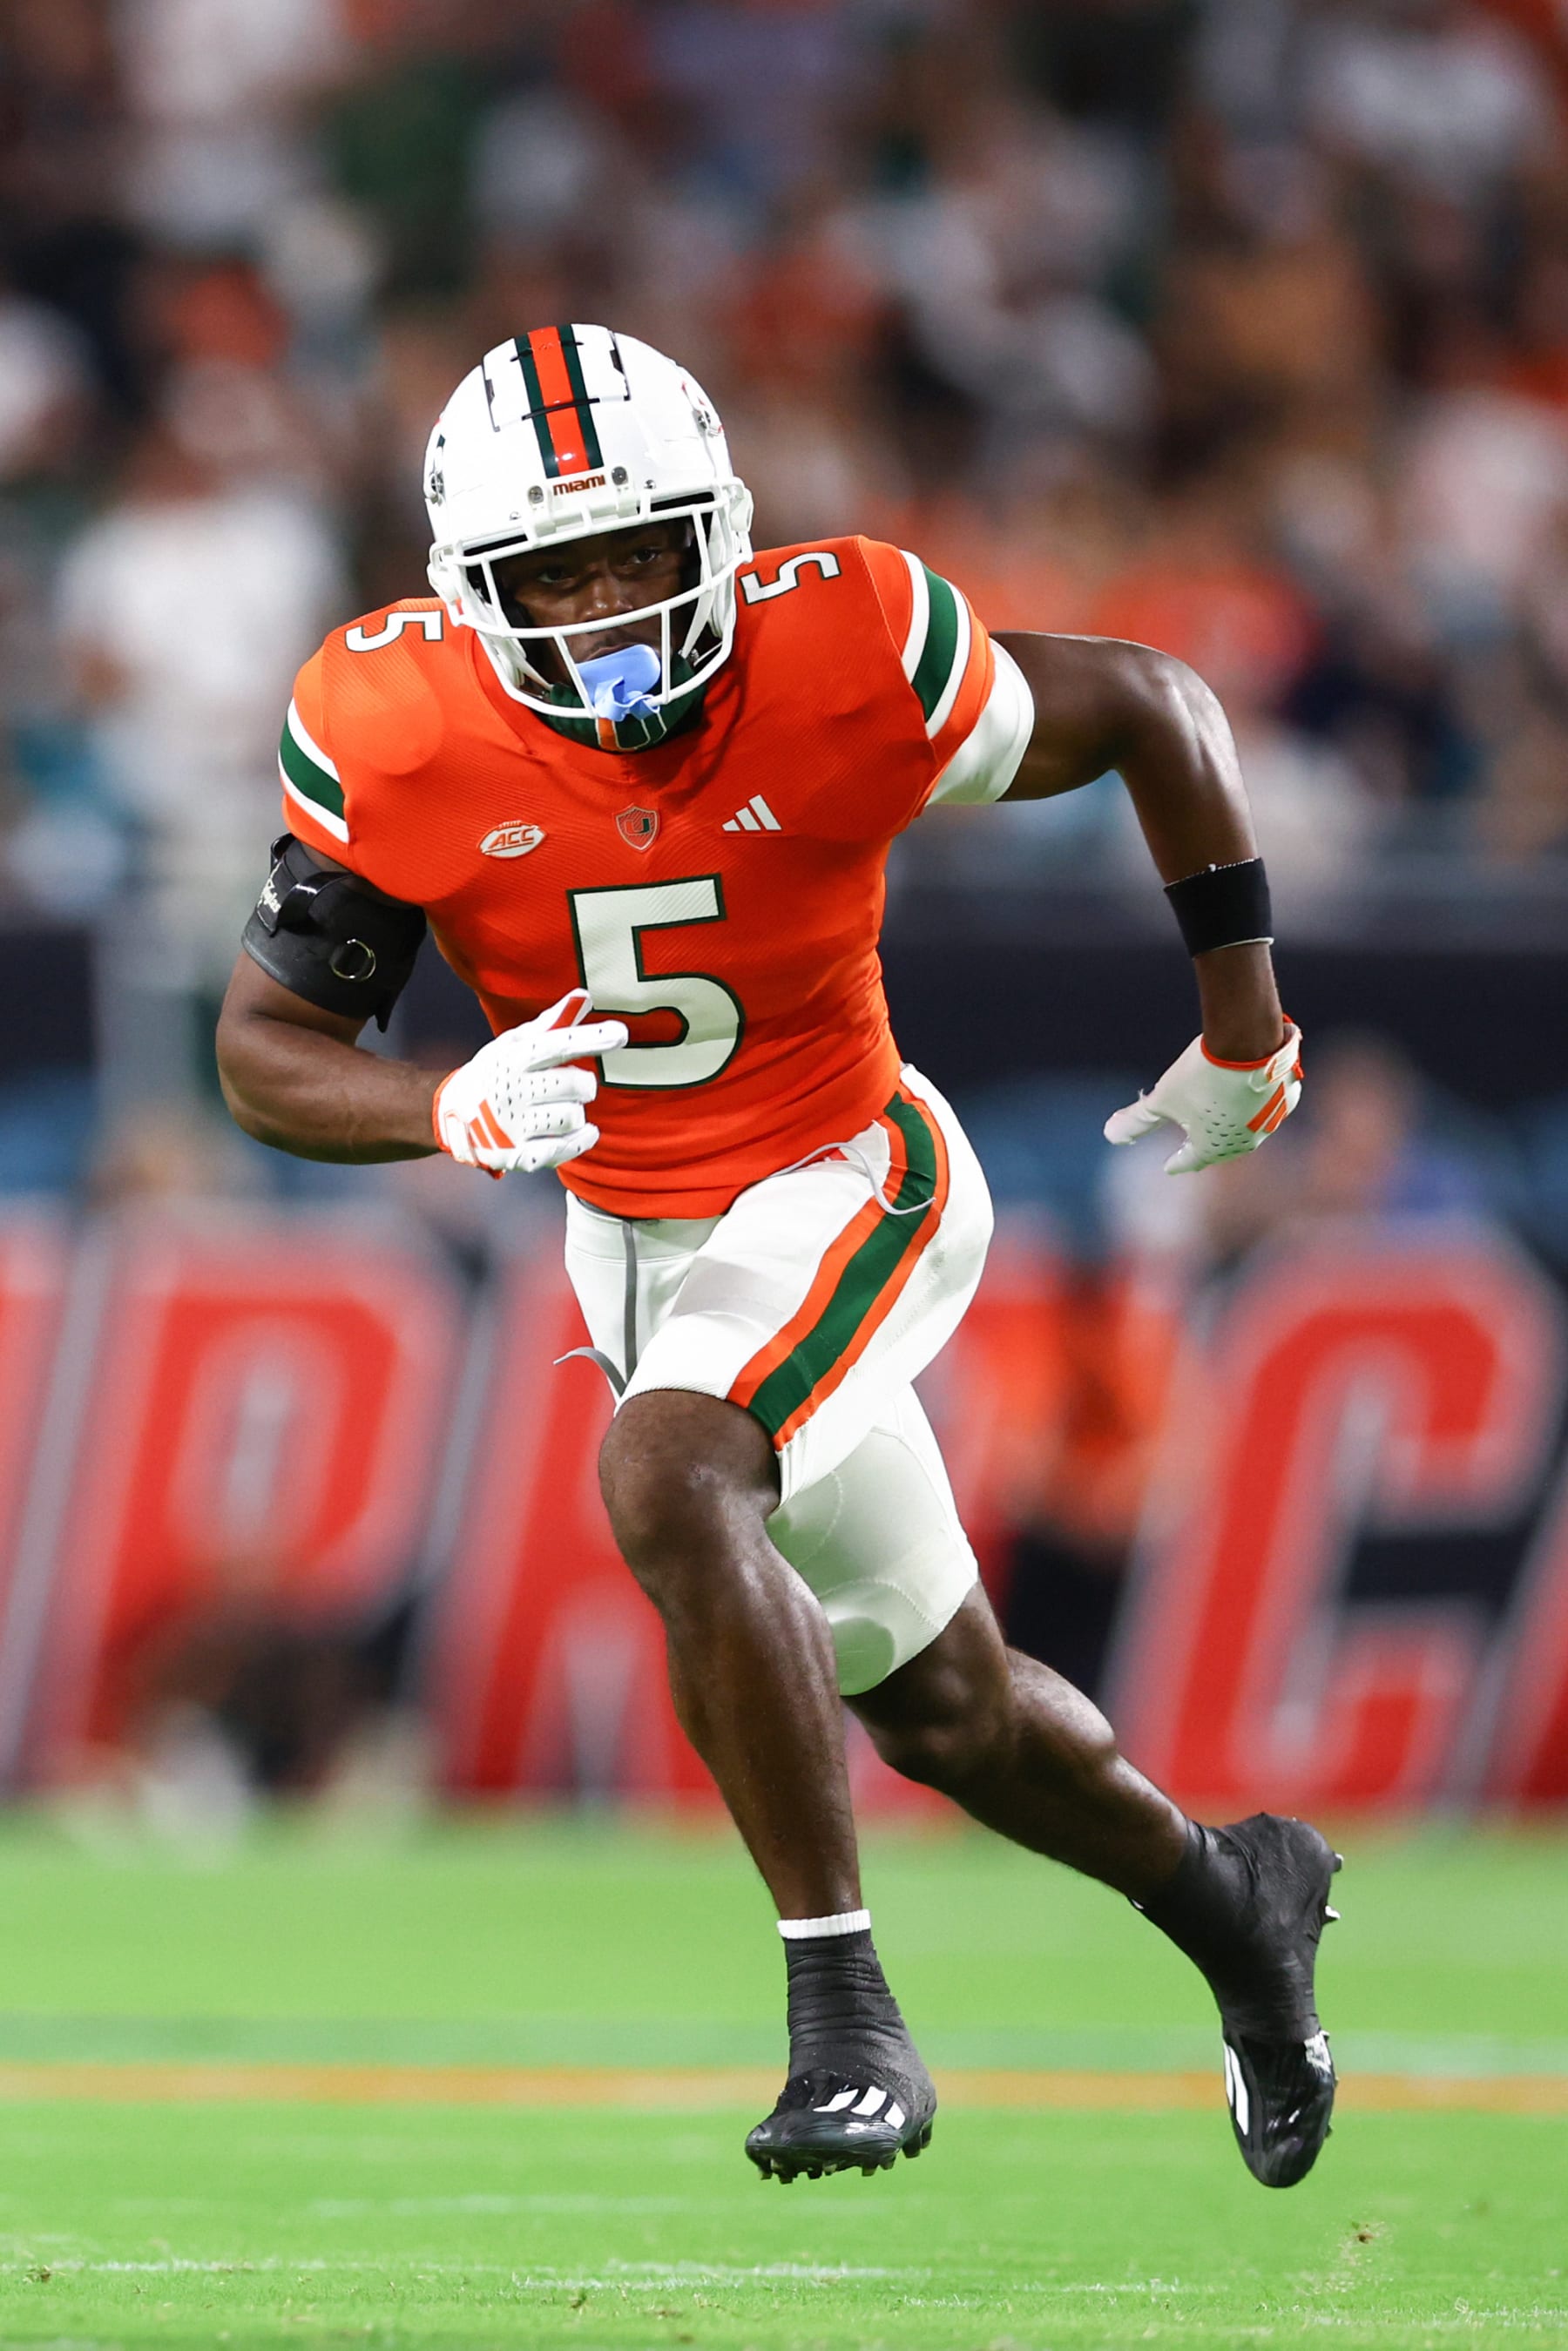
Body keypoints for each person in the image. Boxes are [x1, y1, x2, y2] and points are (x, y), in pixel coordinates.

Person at [216, 324, 1335, 2190]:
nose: (609, 610)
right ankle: (1242, 1911)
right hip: (638, 1236)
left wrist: (1246, 1028)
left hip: (853, 1166)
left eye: (640, 554)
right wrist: (444, 1105)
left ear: (721, 532)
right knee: (945, 1709)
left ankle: (845, 2020)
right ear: (472, 590)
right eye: (555, 574)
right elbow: (263, 1051)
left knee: (668, 1468)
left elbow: (1153, 700)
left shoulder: (845, 645)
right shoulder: (393, 722)